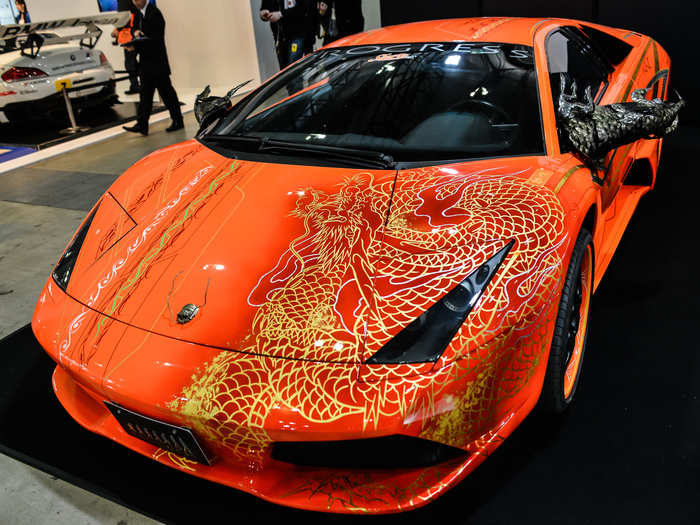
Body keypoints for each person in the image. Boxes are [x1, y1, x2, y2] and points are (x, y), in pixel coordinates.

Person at [123, 0, 183, 136]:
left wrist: (135, 46)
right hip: (146, 64)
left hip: (158, 63)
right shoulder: (138, 15)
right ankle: (142, 125)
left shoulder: (155, 13)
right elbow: (136, 31)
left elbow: (155, 39)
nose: (135, 2)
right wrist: (135, 34)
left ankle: (178, 121)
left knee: (167, 94)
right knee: (145, 95)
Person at [260, 0, 314, 70]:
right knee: (284, 70)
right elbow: (265, 6)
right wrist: (264, 12)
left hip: (298, 33)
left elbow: (305, 8)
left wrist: (281, 14)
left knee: (293, 68)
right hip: (280, 36)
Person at [111, 0, 140, 95]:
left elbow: (123, 17)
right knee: (133, 61)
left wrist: (117, 29)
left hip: (128, 34)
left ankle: (136, 86)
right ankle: (140, 84)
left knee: (129, 63)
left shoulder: (122, 1)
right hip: (134, 31)